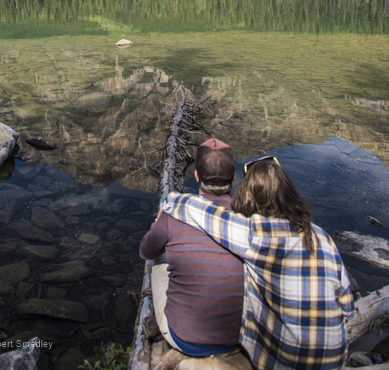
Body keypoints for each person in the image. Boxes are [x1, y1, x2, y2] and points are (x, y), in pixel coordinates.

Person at [163, 155, 355, 370]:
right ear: (288, 192)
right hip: (333, 361)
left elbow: (203, 212)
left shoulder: (254, 235)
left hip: (282, 362)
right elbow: (348, 307)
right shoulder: (319, 235)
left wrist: (169, 200)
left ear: (247, 193)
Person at [139, 138, 248, 365]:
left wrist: (157, 226)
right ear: (234, 178)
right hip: (237, 339)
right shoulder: (248, 220)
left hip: (183, 338)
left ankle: (161, 323)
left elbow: (145, 252)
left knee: (158, 259)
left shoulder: (175, 210)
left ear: (197, 176)